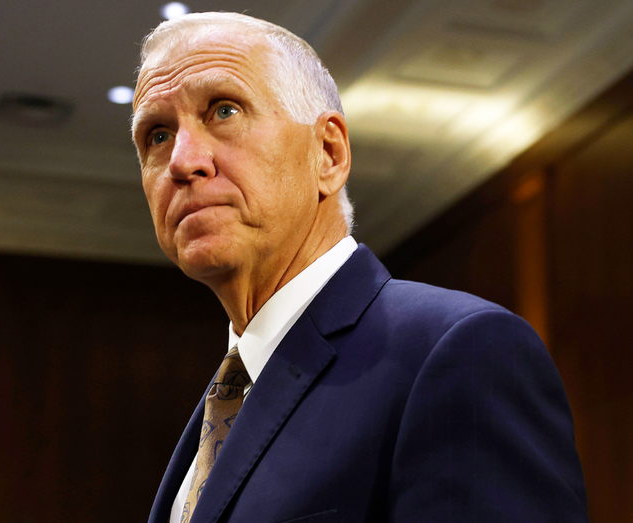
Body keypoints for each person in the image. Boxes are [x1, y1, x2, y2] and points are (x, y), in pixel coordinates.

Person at [130, 11, 588, 523]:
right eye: (157, 135)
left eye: (224, 111)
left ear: (327, 153)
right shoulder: (226, 402)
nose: (182, 161)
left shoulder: (459, 351)